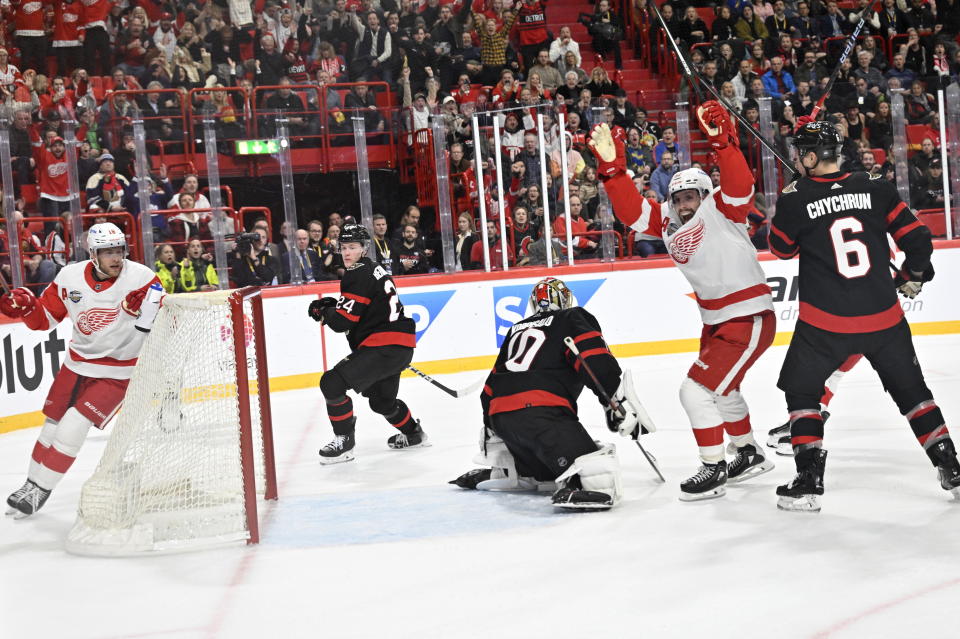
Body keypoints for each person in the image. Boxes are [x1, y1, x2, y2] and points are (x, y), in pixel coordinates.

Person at [589, 101, 776, 502]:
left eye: (691, 196)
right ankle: (748, 453)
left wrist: (724, 145)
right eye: (678, 199)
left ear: (705, 195)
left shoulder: (722, 208)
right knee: (722, 391)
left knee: (694, 392)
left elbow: (740, 183)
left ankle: (713, 467)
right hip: (718, 321)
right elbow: (629, 210)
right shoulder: (670, 221)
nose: (684, 204)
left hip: (747, 316)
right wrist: (612, 171)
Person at [769, 121, 959, 512]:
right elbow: (919, 238)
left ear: (809, 157)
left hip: (825, 325)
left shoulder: (795, 197)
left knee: (803, 393)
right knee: (914, 394)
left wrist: (794, 198)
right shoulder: (875, 185)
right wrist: (915, 274)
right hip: (884, 319)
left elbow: (781, 249)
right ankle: (951, 468)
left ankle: (808, 480)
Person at [1, 223, 162, 518]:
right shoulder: (69, 277)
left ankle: (42, 491)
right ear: (93, 254)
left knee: (73, 427)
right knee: (51, 428)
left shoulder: (142, 279)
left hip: (118, 372)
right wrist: (26, 310)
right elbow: (44, 321)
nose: (116, 258)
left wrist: (149, 312)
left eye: (119, 251)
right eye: (108, 252)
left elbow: (162, 323)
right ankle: (31, 483)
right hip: (76, 366)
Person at [450, 277, 652, 510]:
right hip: (542, 414)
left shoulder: (516, 329)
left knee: (544, 473)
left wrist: (494, 429)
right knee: (596, 471)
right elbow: (593, 359)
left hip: (502, 416)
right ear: (566, 299)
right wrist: (615, 403)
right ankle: (577, 485)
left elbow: (490, 386)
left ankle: (513, 470)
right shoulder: (572, 316)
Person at [307, 224, 427, 464]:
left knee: (331, 383)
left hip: (383, 346)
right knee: (382, 402)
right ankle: (414, 434)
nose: (347, 252)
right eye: (343, 247)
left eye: (353, 247)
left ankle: (344, 443)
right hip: (398, 346)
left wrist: (325, 312)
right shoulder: (374, 268)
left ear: (364, 248)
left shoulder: (356, 273)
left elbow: (343, 322)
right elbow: (363, 309)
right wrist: (334, 307)